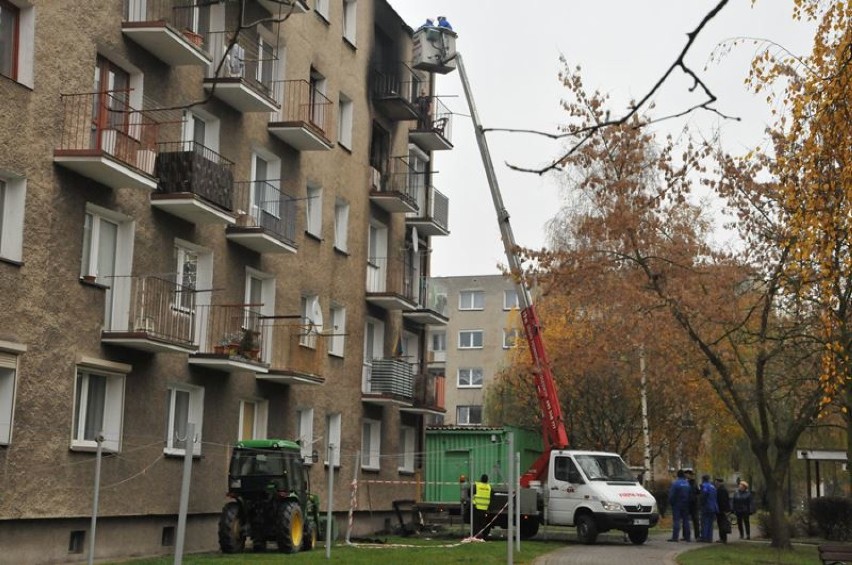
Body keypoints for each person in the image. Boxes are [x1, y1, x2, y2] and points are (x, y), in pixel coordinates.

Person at [668, 470, 692, 542]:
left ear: (677, 475)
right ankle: (687, 537)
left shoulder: (676, 483)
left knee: (676, 520)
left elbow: (672, 495)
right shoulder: (687, 484)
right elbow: (690, 494)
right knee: (686, 521)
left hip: (677, 504)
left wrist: (671, 502)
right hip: (686, 504)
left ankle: (675, 537)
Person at [699, 474, 718, 542]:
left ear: (703, 479)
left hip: (706, 506)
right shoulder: (713, 486)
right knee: (710, 523)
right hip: (713, 506)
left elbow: (703, 496)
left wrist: (701, 504)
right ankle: (710, 538)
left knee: (705, 522)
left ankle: (704, 537)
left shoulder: (704, 486)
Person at [472, 474, 492, 540]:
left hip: (477, 507)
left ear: (481, 479)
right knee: (482, 523)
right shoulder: (489, 487)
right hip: (484, 508)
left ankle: (475, 535)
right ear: (487, 480)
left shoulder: (477, 485)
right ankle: (482, 535)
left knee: (476, 523)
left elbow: (470, 492)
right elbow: (492, 495)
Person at [685, 469, 700, 540]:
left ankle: (696, 535)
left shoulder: (692, 483)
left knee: (695, 520)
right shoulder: (691, 483)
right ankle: (687, 536)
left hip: (692, 504)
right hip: (690, 503)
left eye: (687, 474)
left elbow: (697, 492)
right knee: (688, 520)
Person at [715, 478, 731, 543]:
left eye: (716, 482)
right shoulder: (721, 489)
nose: (716, 484)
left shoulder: (722, 490)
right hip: (721, 509)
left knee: (722, 524)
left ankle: (723, 538)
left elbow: (723, 501)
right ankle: (722, 538)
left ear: (719, 482)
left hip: (721, 510)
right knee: (721, 523)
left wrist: (724, 510)